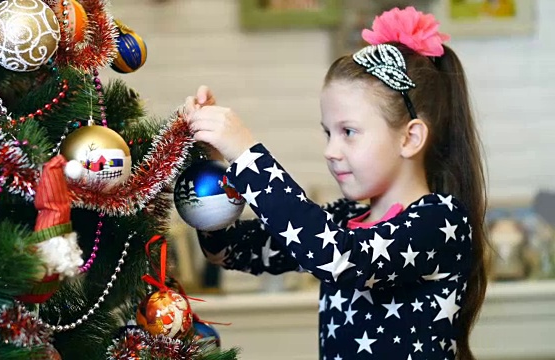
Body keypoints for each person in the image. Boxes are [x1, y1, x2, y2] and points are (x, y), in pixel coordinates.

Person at [183, 6, 488, 360]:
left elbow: (338, 257)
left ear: (410, 138)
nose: (330, 150)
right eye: (328, 132)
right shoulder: (346, 217)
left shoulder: (440, 220)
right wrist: (212, 165)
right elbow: (227, 250)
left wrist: (247, 155)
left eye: (348, 132)